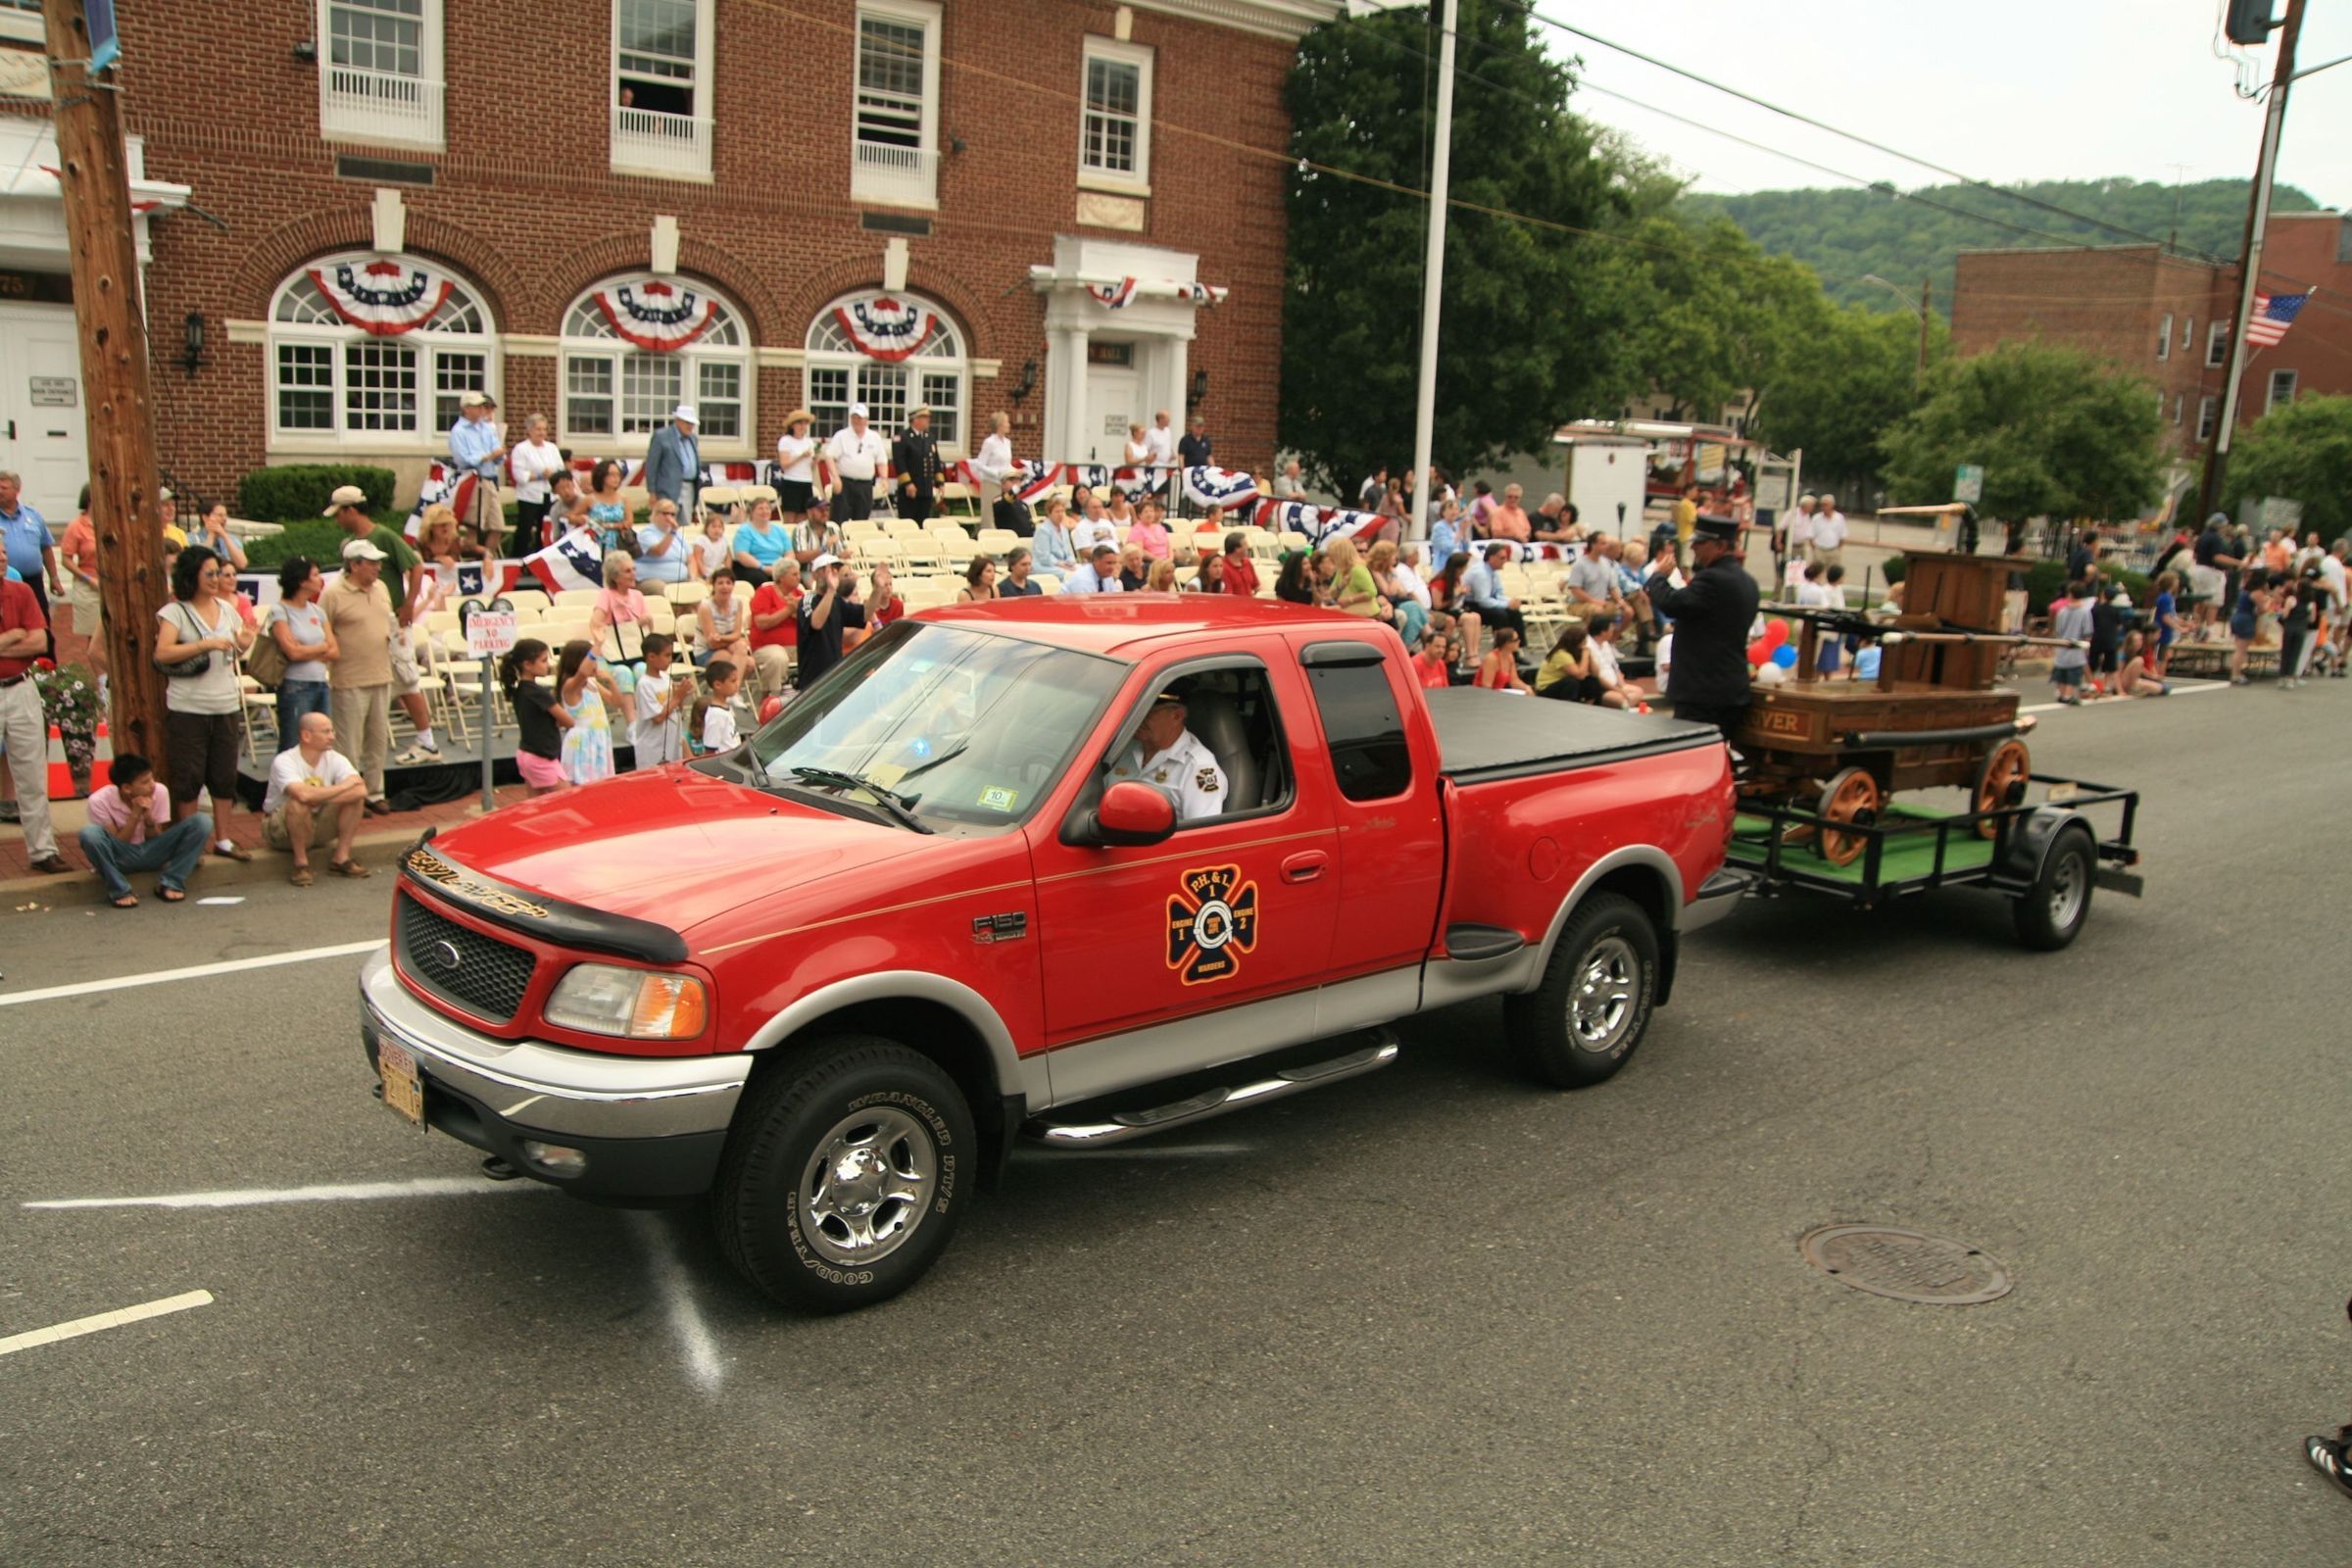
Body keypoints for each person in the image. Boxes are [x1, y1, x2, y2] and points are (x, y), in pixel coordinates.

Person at [154, 544, 255, 861]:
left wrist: (243, 643)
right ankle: (191, 842)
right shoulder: (175, 612)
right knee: (189, 777)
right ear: (191, 575)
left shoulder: (226, 608)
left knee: (224, 776)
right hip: (188, 707)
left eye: (217, 573)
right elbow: (163, 652)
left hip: (225, 703)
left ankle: (223, 839)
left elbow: (234, 649)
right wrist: (203, 644)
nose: (215, 579)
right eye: (209, 574)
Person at [323, 484, 437, 762]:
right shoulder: (354, 541)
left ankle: (427, 742)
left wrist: (408, 604)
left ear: (351, 510)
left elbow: (416, 566)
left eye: (339, 514)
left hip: (392, 620)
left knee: (406, 678)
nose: (337, 520)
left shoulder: (383, 535)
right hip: (368, 622)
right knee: (384, 683)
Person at [1647, 515, 1760, 741]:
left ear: (1720, 546)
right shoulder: (1747, 581)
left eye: (1700, 542)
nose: (1693, 547)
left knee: (1692, 753)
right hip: (1729, 687)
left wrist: (1657, 578)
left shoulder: (1712, 579)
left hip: (1703, 693)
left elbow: (1673, 604)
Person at [322, 537, 399, 813]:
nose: (378, 567)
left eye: (378, 562)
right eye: (372, 563)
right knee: (349, 745)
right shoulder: (333, 593)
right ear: (354, 565)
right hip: (349, 677)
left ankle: (375, 792)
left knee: (378, 740)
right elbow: (323, 629)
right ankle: (350, 795)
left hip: (381, 673)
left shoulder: (381, 588)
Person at [79, 753, 212, 907]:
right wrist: (135, 815)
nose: (152, 785)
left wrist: (149, 820)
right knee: (89, 833)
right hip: (120, 856)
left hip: (151, 851)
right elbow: (117, 842)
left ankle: (171, 882)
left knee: (202, 821)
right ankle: (120, 890)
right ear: (127, 788)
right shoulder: (99, 801)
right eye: (145, 782)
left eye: (151, 778)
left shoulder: (159, 791)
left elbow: (156, 838)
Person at [0, 566, 66, 872]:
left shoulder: (21, 591)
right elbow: (27, 638)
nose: (2, 557)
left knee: (32, 776)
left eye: (3, 551)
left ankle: (42, 851)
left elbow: (40, 642)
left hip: (21, 688)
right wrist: (13, 636)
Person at [262, 711, 368, 884]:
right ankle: (301, 864)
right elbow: (302, 794)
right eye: (326, 732)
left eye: (332, 731)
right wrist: (342, 787)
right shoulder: (284, 760)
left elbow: (361, 790)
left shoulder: (335, 758)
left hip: (317, 823)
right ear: (306, 735)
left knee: (355, 799)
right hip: (280, 831)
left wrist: (320, 798)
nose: (332, 736)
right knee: (299, 804)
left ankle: (341, 858)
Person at [1106, 689, 1226, 819]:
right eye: (1133, 711)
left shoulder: (1198, 767)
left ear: (1177, 716)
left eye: (1145, 711)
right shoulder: (1123, 746)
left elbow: (1202, 829)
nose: (1136, 719)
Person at [264, 556, 337, 744]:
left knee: (323, 742)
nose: (320, 579)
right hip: (295, 685)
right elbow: (292, 653)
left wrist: (306, 649)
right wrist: (321, 648)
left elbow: (334, 650)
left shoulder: (318, 611)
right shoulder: (279, 611)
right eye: (315, 575)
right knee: (293, 742)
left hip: (321, 683)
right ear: (302, 581)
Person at [0, 469, 62, 660]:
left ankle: (47, 667)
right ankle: (13, 661)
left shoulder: (33, 516)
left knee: (41, 623)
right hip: (6, 580)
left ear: (17, 489)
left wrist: (54, 578)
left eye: (3, 487)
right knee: (10, 624)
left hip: (33, 581)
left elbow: (46, 547)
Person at [588, 551, 651, 723]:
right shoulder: (606, 595)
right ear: (615, 577)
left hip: (636, 652)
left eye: (634, 569)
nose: (633, 574)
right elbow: (595, 623)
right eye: (628, 571)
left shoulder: (637, 596)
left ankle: (648, 719)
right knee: (623, 673)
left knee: (643, 670)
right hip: (611, 657)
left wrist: (646, 619)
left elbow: (649, 628)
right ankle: (631, 722)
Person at [500, 638, 568, 794]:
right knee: (567, 799)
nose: (547, 665)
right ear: (528, 665)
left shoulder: (519, 690)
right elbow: (568, 720)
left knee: (537, 804)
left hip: (526, 753)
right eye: (543, 661)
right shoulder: (538, 694)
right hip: (541, 758)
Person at [447, 391, 509, 549]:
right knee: (473, 527)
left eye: (483, 406)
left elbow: (497, 450)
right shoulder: (459, 431)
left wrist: (498, 455)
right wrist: (487, 457)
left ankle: (488, 557)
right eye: (477, 406)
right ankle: (459, 550)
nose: (482, 409)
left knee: (497, 526)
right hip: (473, 481)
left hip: (490, 480)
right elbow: (462, 459)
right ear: (466, 409)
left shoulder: (487, 428)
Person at [797, 553, 866, 689]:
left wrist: (878, 590)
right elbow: (816, 624)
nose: (831, 574)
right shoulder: (808, 599)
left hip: (835, 675)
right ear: (815, 575)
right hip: (813, 679)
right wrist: (830, 590)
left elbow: (864, 615)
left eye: (835, 570)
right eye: (826, 570)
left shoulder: (836, 601)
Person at [557, 638, 619, 785]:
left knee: (601, 784)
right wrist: (598, 645)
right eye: (593, 660)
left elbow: (615, 701)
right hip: (583, 743)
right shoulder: (570, 686)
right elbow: (582, 672)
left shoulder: (592, 683)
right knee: (583, 783)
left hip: (599, 739)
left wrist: (611, 681)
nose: (595, 664)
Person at [630, 632, 690, 766]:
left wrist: (682, 696)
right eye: (667, 655)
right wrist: (677, 697)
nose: (670, 659)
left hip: (671, 745)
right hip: (653, 750)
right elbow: (657, 718)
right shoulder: (644, 684)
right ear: (651, 657)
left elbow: (676, 710)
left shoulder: (666, 678)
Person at [511, 414, 564, 555]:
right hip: (529, 495)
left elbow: (560, 468)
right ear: (529, 430)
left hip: (549, 494)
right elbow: (519, 475)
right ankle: (520, 558)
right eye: (538, 429)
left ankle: (542, 556)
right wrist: (540, 475)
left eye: (544, 429)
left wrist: (553, 475)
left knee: (546, 528)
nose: (541, 433)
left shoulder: (552, 448)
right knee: (525, 528)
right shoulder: (521, 449)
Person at [747, 558, 801, 696]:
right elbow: (762, 623)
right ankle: (773, 697)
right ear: (781, 577)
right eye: (794, 574)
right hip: (766, 647)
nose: (799, 577)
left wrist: (797, 613)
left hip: (796, 645)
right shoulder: (765, 592)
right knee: (777, 658)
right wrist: (788, 610)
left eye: (799, 573)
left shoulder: (799, 594)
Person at [827, 403, 888, 522]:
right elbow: (830, 458)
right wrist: (835, 478)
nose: (858, 421)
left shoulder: (874, 437)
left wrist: (884, 478)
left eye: (860, 418)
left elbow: (881, 461)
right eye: (855, 417)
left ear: (866, 420)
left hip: (865, 485)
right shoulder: (841, 436)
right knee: (839, 519)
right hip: (845, 483)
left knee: (861, 521)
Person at [643, 403, 702, 518]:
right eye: (687, 422)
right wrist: (652, 492)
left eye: (692, 423)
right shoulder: (661, 436)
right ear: (678, 421)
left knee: (685, 524)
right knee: (666, 523)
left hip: (689, 488)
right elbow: (651, 466)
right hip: (667, 490)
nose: (690, 426)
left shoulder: (693, 439)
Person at [892, 405, 945, 526]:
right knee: (908, 524)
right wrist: (908, 483)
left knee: (923, 523)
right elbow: (900, 463)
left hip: (926, 489)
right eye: (925, 417)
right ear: (915, 419)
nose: (928, 420)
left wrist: (940, 483)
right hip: (910, 490)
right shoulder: (902, 438)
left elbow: (936, 461)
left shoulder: (930, 437)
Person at [1463, 543, 1527, 642]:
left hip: (1485, 602)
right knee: (1500, 614)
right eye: (1502, 558)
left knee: (1514, 612)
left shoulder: (1493, 571)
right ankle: (1502, 645)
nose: (1505, 561)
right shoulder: (1480, 573)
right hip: (1471, 605)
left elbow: (1498, 594)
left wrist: (1510, 602)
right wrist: (1506, 605)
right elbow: (1482, 601)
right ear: (1491, 558)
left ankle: (1517, 646)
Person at [774, 409, 821, 528]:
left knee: (804, 517)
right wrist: (800, 456)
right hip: (791, 482)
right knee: (790, 518)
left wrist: (815, 459)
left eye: (805, 423)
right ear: (792, 425)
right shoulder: (786, 441)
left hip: (806, 482)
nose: (803, 426)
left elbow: (811, 467)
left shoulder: (809, 442)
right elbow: (784, 464)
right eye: (799, 423)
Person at [2049, 579, 2093, 704]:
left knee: (2061, 671)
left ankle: (2062, 693)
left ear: (2070, 594)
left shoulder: (2062, 611)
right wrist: (2087, 648)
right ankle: (2068, 695)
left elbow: (2058, 630)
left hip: (2062, 646)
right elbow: (2087, 632)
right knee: (2073, 672)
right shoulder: (2085, 612)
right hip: (2077, 647)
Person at [1535, 623, 1599, 702]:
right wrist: (1585, 655)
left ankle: (1589, 704)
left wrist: (1590, 656)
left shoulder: (1578, 652)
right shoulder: (1560, 654)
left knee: (1592, 681)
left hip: (1561, 684)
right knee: (1571, 682)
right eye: (1583, 642)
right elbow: (1580, 675)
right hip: (1546, 687)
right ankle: (1568, 705)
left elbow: (1595, 673)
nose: (1584, 645)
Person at [633, 497, 689, 586]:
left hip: (681, 579)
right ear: (656, 514)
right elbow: (659, 551)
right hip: (651, 579)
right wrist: (672, 532)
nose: (669, 517)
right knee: (661, 589)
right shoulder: (647, 533)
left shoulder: (677, 535)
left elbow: (691, 557)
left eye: (672, 514)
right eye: (665, 513)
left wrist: (693, 577)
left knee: (700, 587)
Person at [732, 498, 793, 579]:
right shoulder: (744, 530)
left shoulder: (779, 530)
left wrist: (782, 567)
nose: (764, 511)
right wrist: (763, 567)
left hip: (778, 567)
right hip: (754, 568)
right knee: (758, 577)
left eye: (767, 508)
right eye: (760, 508)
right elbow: (742, 555)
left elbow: (789, 553)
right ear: (752, 512)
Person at [1319, 536, 1380, 617]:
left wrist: (1350, 600)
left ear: (1341, 555)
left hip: (1366, 615)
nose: (1331, 559)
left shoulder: (1357, 569)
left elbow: (1372, 592)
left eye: (1333, 556)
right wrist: (1341, 586)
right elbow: (1331, 593)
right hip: (1350, 613)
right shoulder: (1342, 569)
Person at [186, 499, 250, 571]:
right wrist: (211, 535)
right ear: (205, 517)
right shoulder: (192, 538)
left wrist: (224, 536)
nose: (225, 519)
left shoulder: (232, 539)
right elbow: (199, 563)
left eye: (225, 515)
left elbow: (242, 564)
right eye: (220, 515)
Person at [586, 459, 631, 556]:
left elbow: (629, 522)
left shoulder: (624, 499)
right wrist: (585, 520)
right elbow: (573, 516)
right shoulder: (589, 499)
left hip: (618, 544)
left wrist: (609, 526)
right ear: (602, 475)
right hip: (595, 544)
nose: (616, 478)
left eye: (618, 475)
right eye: (612, 475)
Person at [2113, 630, 2170, 697]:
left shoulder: (2136, 653)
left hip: (2132, 681)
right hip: (2121, 682)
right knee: (2139, 660)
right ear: (2130, 642)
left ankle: (2139, 688)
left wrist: (2153, 677)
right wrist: (2120, 691)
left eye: (2140, 640)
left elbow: (2142, 670)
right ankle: (2133, 688)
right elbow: (2116, 674)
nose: (2139, 643)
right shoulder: (2122, 654)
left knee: (2162, 688)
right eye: (2136, 641)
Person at [1476, 627, 1533, 693]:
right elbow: (1486, 686)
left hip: (1498, 692)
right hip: (1483, 694)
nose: (1519, 641)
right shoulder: (1491, 659)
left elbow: (1514, 680)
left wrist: (1526, 687)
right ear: (1507, 643)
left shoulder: (1509, 656)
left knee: (1528, 692)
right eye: (1516, 640)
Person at [1031, 498, 1078, 577]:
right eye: (1057, 511)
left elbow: (1069, 552)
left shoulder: (1064, 529)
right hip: (1044, 566)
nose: (1060, 514)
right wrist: (1060, 564)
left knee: (1081, 570)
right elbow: (1044, 556)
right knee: (1066, 574)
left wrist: (1070, 562)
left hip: (1063, 564)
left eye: (1062, 511)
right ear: (1049, 514)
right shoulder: (1043, 530)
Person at [2151, 570, 2184, 674]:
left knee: (2165, 657)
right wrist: (2179, 628)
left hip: (2167, 633)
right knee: (2160, 658)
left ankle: (2160, 676)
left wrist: (2184, 623)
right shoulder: (2165, 598)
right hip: (2161, 632)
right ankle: (2157, 676)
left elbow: (2172, 615)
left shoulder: (2170, 597)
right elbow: (2166, 617)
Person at [689, 508, 734, 583]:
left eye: (719, 527)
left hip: (719, 572)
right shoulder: (701, 540)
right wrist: (705, 576)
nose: (717, 530)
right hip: (703, 574)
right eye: (713, 526)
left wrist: (727, 573)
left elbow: (728, 558)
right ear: (706, 528)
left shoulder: (724, 539)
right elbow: (697, 560)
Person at [1061, 543, 1125, 596]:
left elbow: (1112, 600)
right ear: (1096, 561)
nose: (1112, 567)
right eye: (1109, 563)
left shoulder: (1107, 576)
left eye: (1114, 563)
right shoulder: (1083, 579)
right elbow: (1084, 605)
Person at [1071, 495, 1119, 559]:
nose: (1098, 510)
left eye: (1100, 507)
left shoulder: (1107, 523)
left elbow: (1117, 544)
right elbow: (1084, 552)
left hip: (1116, 557)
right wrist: (1106, 557)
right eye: (1094, 507)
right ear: (1086, 509)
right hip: (1099, 559)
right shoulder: (1081, 527)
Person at [1127, 500, 1173, 564]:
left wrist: (1170, 559)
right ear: (1139, 515)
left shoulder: (1160, 527)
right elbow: (1140, 551)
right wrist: (1158, 560)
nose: (1149, 514)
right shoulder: (1137, 529)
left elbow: (1169, 547)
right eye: (1146, 512)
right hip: (1150, 562)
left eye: (1151, 511)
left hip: (1166, 561)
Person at [1411, 626, 1455, 690]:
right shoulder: (1415, 664)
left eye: (1443, 647)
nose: (1441, 650)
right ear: (1427, 645)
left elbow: (1446, 689)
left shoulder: (1441, 663)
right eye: (1437, 646)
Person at [1221, 532, 1260, 598]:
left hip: (1250, 602)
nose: (1248, 546)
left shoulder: (1247, 563)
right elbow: (1228, 596)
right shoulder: (1223, 567)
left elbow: (1256, 586)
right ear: (1237, 549)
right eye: (1245, 544)